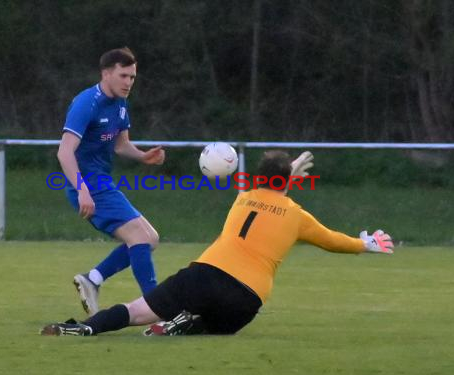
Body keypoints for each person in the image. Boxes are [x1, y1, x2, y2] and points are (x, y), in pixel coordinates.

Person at [41, 150, 393, 337]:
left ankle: (85, 327)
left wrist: (286, 170)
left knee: (135, 312)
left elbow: (268, 188)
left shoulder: (242, 198)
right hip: (245, 297)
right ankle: (186, 324)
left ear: (258, 177)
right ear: (289, 180)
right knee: (222, 327)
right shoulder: (296, 215)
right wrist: (367, 244)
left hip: (203, 274)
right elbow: (333, 241)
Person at [57, 47, 165, 316]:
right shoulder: (87, 103)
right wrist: (82, 190)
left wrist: (143, 156)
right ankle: (158, 307)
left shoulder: (120, 103)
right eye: (123, 76)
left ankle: (92, 279)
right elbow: (64, 151)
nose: (129, 82)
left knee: (150, 238)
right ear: (106, 74)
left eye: (132, 77)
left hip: (102, 182)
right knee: (140, 237)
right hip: (89, 184)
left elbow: (121, 145)